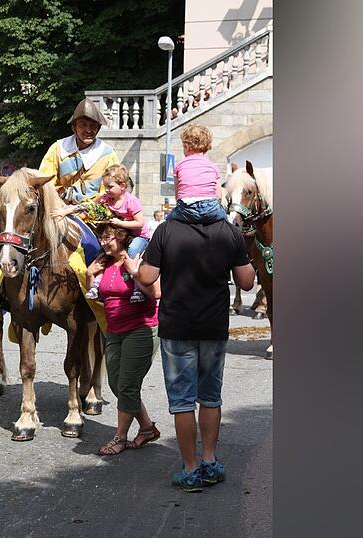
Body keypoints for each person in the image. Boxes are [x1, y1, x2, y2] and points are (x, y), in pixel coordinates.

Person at [131, 216, 256, 492]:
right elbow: (247, 282)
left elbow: (148, 277)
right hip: (213, 325)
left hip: (177, 326)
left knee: (183, 400)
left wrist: (137, 267)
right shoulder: (229, 232)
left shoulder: (165, 230)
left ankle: (190, 469)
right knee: (210, 396)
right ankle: (209, 463)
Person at [86, 224, 162, 457]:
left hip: (141, 329)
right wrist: (90, 276)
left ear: (122, 238)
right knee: (116, 384)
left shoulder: (141, 260)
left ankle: (120, 437)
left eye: (108, 237)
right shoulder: (104, 263)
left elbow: (156, 293)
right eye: (101, 237)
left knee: (127, 385)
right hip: (114, 330)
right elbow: (101, 298)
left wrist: (136, 273)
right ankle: (147, 428)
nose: (103, 242)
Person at [52, 164, 149, 303]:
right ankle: (96, 284)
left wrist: (119, 223)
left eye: (110, 187)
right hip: (120, 237)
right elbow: (88, 206)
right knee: (102, 254)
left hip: (138, 236)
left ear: (122, 186)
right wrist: (68, 212)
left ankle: (138, 289)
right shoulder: (106, 199)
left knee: (132, 252)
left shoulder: (131, 201)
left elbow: (139, 223)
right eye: (105, 187)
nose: (107, 190)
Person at [38, 98, 119, 203]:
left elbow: (111, 191)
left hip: (95, 211)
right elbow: (45, 183)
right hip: (60, 208)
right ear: (74, 127)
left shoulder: (108, 155)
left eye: (93, 126)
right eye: (83, 125)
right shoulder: (57, 149)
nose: (88, 130)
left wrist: (89, 210)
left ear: (98, 128)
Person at [167, 124, 228, 224]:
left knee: (167, 222)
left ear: (186, 147)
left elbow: (178, 195)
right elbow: (219, 196)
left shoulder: (179, 166)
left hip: (186, 209)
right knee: (227, 222)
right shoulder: (213, 167)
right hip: (211, 208)